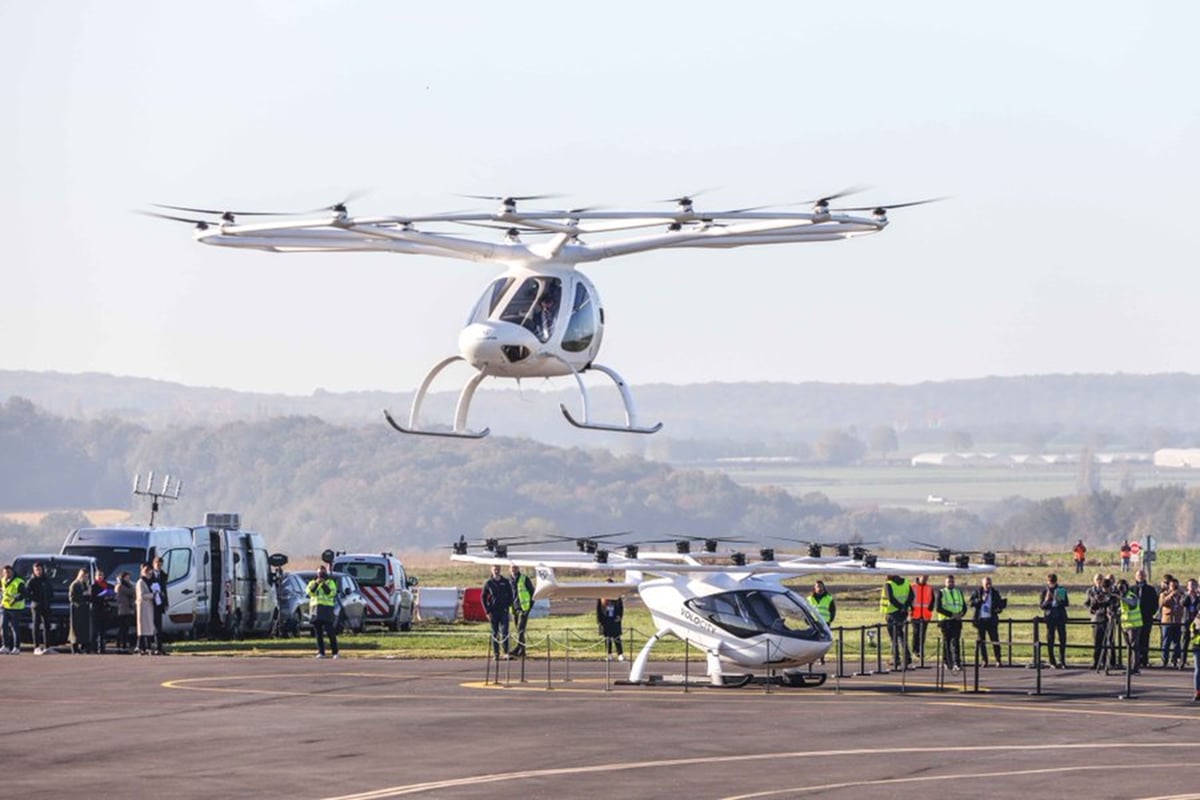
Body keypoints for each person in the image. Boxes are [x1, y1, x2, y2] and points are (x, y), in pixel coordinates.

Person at [969, 576, 1006, 667]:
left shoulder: (994, 593)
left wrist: (999, 609)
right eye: (986, 584)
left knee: (995, 640)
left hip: (991, 620)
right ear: (983, 584)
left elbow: (999, 604)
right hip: (981, 620)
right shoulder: (977, 592)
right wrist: (981, 600)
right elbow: (971, 603)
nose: (988, 586)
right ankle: (984, 660)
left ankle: (998, 659)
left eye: (990, 584)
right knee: (982, 641)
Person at [306, 565, 340, 659]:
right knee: (318, 633)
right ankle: (321, 652)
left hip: (327, 609)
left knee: (330, 632)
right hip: (315, 610)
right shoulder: (312, 582)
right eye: (319, 573)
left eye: (323, 573)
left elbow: (331, 593)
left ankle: (335, 652)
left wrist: (324, 584)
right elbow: (309, 592)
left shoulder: (330, 582)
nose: (321, 575)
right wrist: (316, 584)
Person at [880, 575, 913, 670]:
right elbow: (911, 596)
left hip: (892, 613)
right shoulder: (906, 582)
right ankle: (906, 656)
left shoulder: (888, 584)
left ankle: (896, 658)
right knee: (901, 635)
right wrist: (904, 607)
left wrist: (900, 607)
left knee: (894, 637)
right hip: (903, 613)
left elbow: (891, 599)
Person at [1085, 573, 1117, 670]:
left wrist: (1111, 608)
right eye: (1104, 588)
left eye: (1107, 588)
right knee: (1098, 642)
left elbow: (1115, 605)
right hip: (1099, 620)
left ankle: (1111, 662)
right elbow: (1092, 608)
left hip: (1110, 620)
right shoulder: (1097, 594)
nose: (1105, 590)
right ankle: (1097, 662)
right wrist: (1096, 601)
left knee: (1110, 642)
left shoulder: (1113, 595)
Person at [481, 565, 513, 660]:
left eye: (498, 569)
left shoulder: (505, 582)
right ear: (491, 570)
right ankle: (496, 653)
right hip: (493, 612)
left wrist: (507, 606)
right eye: (495, 569)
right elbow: (483, 597)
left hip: (503, 611)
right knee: (495, 633)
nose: (496, 570)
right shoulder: (489, 583)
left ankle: (506, 652)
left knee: (505, 632)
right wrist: (487, 611)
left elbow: (511, 595)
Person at [935, 575, 967, 671]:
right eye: (949, 582)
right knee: (947, 642)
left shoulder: (958, 592)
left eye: (952, 582)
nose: (951, 583)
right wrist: (951, 615)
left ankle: (956, 662)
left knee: (955, 642)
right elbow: (938, 608)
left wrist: (961, 614)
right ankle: (947, 662)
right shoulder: (941, 592)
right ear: (945, 583)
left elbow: (964, 606)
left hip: (956, 621)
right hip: (946, 621)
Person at [1038, 573, 1070, 668]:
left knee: (1062, 639)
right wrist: (1047, 600)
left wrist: (1059, 599)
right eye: (1050, 582)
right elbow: (1042, 606)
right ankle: (1052, 661)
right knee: (1050, 639)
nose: (1051, 584)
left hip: (1060, 617)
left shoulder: (1060, 590)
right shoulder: (1045, 591)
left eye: (1053, 582)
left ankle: (1062, 660)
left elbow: (1066, 603)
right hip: (1050, 618)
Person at [1131, 569, 1159, 669]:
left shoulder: (1150, 589)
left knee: (1145, 639)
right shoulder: (1132, 589)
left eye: (1142, 575)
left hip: (1146, 618)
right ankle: (1135, 660)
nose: (1140, 577)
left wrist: (1150, 613)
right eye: (1139, 575)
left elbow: (1155, 603)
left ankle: (1144, 660)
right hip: (1134, 619)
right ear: (1135, 577)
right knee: (1134, 640)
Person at [26, 561, 53, 654]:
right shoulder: (31, 581)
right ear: (34, 570)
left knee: (47, 626)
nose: (38, 571)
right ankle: (36, 647)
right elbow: (27, 593)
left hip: (46, 605)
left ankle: (47, 646)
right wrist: (34, 599)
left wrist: (49, 599)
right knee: (36, 625)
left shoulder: (46, 579)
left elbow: (50, 591)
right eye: (36, 570)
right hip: (36, 606)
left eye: (40, 569)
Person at [1117, 579, 1143, 674]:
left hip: (1134, 625)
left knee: (1133, 647)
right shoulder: (1122, 597)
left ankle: (1134, 667)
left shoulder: (1131, 595)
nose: (1121, 589)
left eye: (1122, 587)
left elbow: (1133, 603)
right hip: (1126, 625)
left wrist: (1120, 598)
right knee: (1128, 647)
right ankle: (1130, 666)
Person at [509, 564, 534, 658]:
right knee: (519, 630)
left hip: (523, 608)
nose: (513, 569)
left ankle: (519, 648)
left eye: (515, 568)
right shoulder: (509, 580)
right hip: (514, 608)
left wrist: (529, 607)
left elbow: (532, 593)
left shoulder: (524, 579)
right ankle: (521, 649)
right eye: (512, 568)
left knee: (520, 629)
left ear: (518, 568)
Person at [1, 564, 26, 654]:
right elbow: (3, 593)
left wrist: (14, 600)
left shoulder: (19, 582)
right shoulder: (3, 581)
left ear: (12, 571)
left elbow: (23, 594)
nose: (6, 574)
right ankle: (5, 646)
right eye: (5, 572)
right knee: (3, 626)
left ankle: (16, 647)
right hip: (5, 607)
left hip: (15, 608)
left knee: (14, 628)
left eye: (8, 572)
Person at [1159, 576, 1184, 668]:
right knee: (1166, 641)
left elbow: (1184, 603)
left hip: (1177, 621)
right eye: (1172, 586)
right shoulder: (1164, 594)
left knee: (1177, 642)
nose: (1174, 588)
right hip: (1167, 621)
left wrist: (1180, 594)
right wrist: (1170, 595)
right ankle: (1164, 660)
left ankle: (1175, 660)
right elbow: (1162, 604)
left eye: (1175, 586)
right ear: (1169, 586)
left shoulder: (1180, 594)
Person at [596, 582, 624, 661]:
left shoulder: (617, 595)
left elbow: (621, 607)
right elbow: (598, 609)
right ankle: (609, 654)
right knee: (607, 639)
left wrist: (620, 617)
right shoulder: (601, 596)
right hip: (606, 620)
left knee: (617, 637)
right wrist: (599, 621)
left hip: (614, 620)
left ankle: (620, 654)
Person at [68, 567, 93, 654]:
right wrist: (82, 596)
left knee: (84, 629)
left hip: (85, 609)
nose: (86, 578)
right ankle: (74, 646)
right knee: (76, 629)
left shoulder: (86, 584)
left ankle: (84, 646)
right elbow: (72, 598)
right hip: (76, 609)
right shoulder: (74, 584)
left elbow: (89, 597)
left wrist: (89, 595)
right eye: (84, 576)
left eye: (87, 576)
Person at [910, 575, 934, 661]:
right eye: (923, 577)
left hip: (925, 614)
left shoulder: (929, 587)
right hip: (915, 614)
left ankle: (921, 650)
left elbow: (932, 600)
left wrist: (930, 610)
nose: (925, 579)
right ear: (919, 577)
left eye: (926, 578)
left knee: (923, 633)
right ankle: (915, 650)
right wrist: (911, 610)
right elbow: (909, 599)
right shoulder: (913, 587)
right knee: (916, 632)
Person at [135, 563, 156, 655]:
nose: (150, 575)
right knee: (143, 628)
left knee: (148, 628)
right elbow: (142, 595)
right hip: (143, 607)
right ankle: (140, 646)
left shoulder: (149, 582)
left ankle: (146, 646)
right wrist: (153, 595)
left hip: (149, 606)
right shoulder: (140, 582)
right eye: (149, 573)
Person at [150, 556, 169, 655]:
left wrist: (166, 603)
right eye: (157, 564)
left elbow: (165, 590)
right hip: (151, 603)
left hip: (159, 603)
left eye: (160, 564)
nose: (159, 566)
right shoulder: (150, 575)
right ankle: (150, 646)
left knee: (158, 627)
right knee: (150, 626)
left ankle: (159, 647)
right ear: (153, 564)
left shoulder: (163, 575)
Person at [114, 571, 136, 652]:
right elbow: (130, 592)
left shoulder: (129, 585)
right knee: (122, 627)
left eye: (129, 577)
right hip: (122, 609)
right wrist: (133, 590)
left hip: (128, 609)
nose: (128, 579)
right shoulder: (120, 586)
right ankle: (120, 643)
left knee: (126, 628)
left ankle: (124, 643)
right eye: (126, 577)